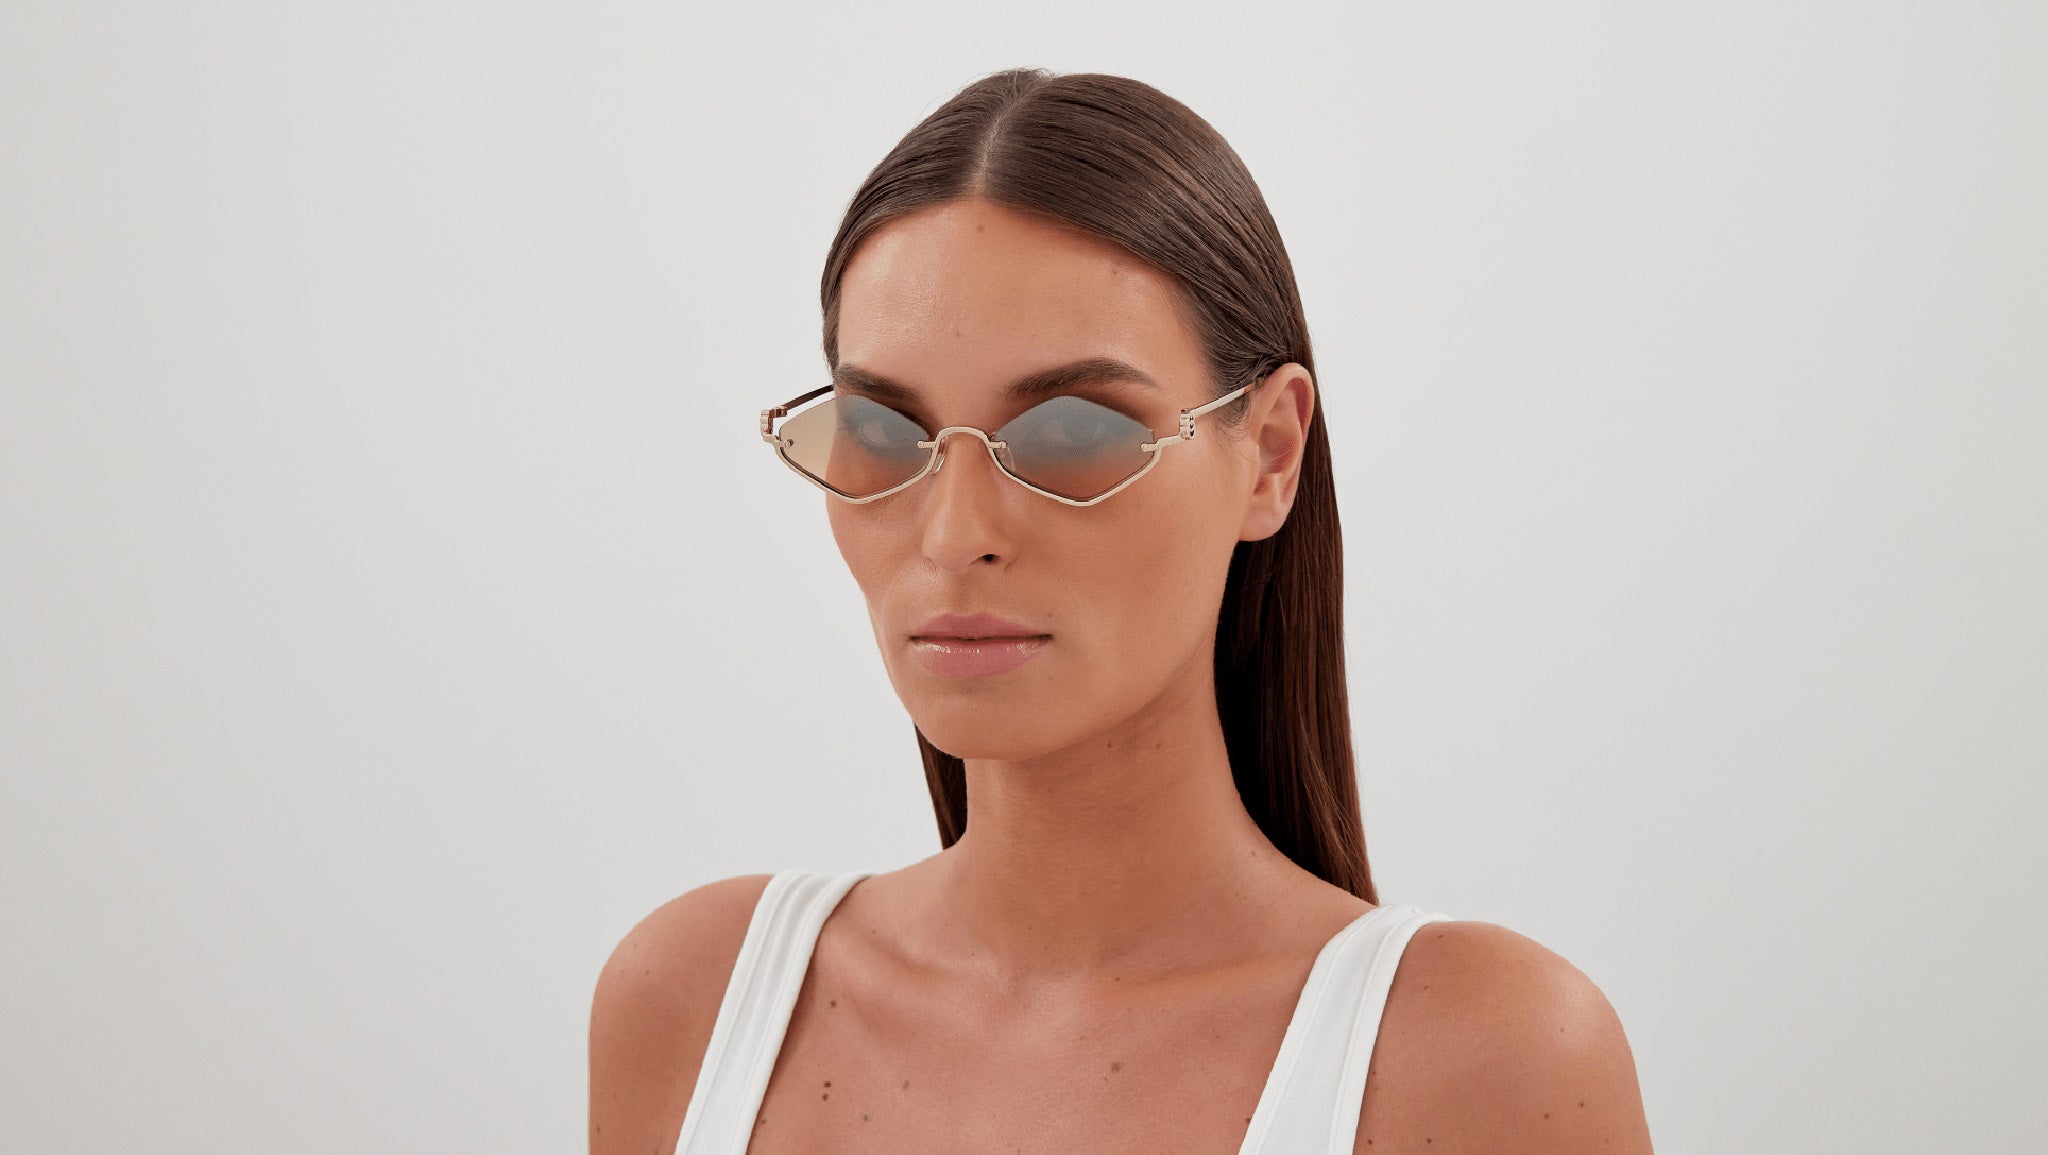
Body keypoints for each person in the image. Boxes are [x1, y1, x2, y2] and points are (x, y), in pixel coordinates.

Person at [590, 67, 1653, 1154]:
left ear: (1269, 454)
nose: (954, 533)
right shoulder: (695, 1002)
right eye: (880, 433)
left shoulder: (1485, 1058)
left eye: (1072, 433)